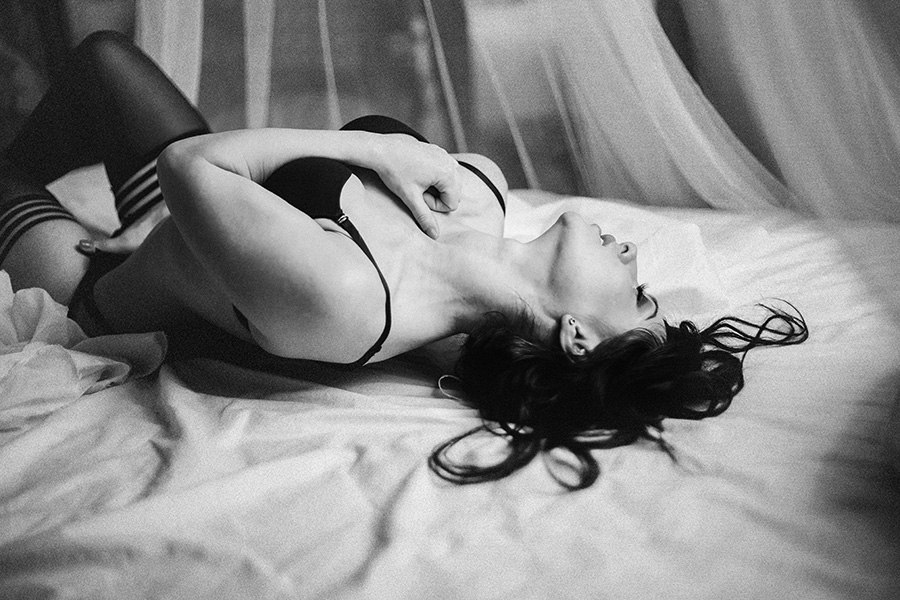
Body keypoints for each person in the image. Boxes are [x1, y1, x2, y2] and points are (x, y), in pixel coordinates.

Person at [0, 31, 807, 489]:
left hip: (93, 284)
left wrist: (376, 149)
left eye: (638, 293)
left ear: (576, 337)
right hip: (178, 215)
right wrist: (201, 218)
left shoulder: (351, 300)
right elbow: (201, 180)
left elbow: (190, 166)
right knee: (103, 58)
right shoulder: (482, 199)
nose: (632, 254)